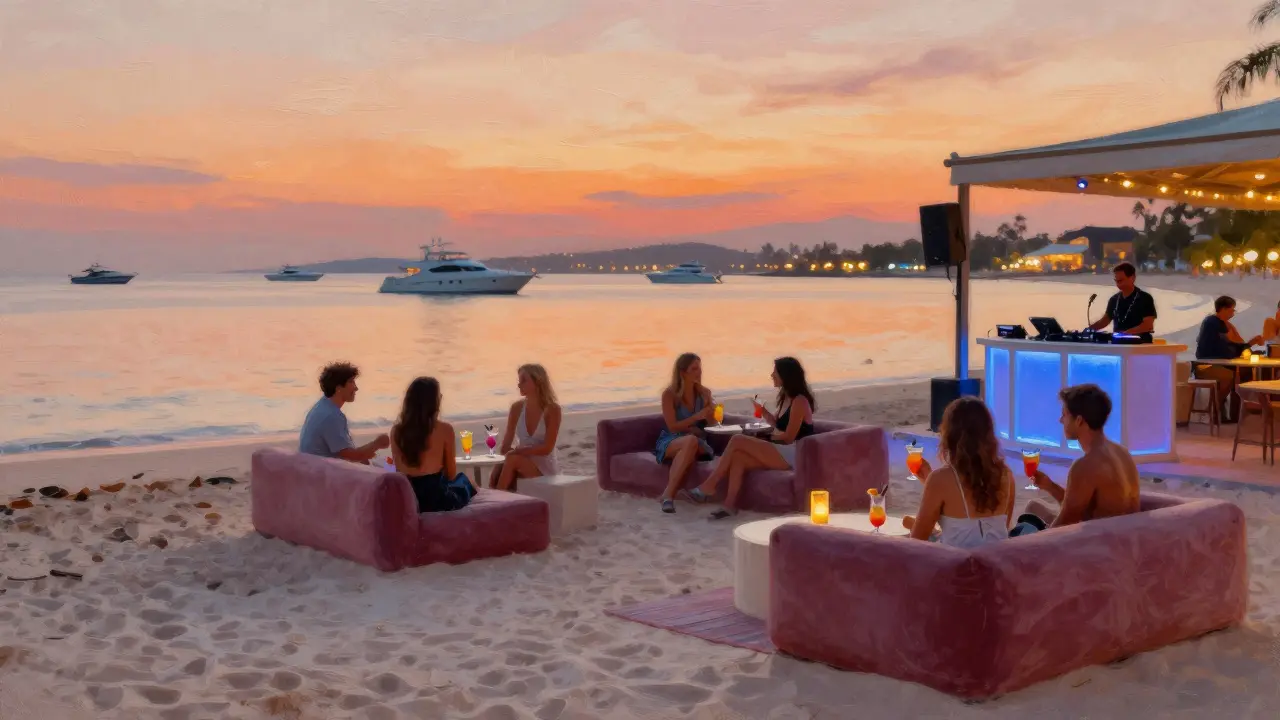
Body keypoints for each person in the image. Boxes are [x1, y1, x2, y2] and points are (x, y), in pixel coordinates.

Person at [688, 357, 815, 520]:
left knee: (738, 439)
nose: (772, 375)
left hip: (795, 454)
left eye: (775, 372)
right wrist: (762, 411)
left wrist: (767, 436)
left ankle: (709, 486)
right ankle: (729, 506)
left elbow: (789, 437)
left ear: (786, 375)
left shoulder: (799, 401)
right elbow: (778, 425)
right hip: (784, 450)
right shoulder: (786, 397)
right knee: (738, 457)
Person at [1013, 384, 1140, 536]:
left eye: (1064, 414)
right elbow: (1082, 508)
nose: (1061, 420)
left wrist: (1030, 543)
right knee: (1033, 506)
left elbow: (1065, 523)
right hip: (1123, 537)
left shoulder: (1086, 465)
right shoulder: (1122, 453)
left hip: (1097, 543)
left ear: (1079, 420)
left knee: (1024, 526)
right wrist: (1050, 486)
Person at [901, 398, 1014, 548]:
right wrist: (929, 480)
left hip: (956, 561)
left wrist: (931, 482)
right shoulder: (1006, 475)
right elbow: (997, 532)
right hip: (995, 560)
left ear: (949, 435)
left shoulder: (940, 480)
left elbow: (916, 543)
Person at [390, 377, 475, 513]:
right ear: (433, 402)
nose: (441, 397)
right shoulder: (444, 429)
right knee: (466, 481)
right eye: (439, 395)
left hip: (409, 497)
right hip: (436, 500)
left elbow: (397, 469)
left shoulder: (396, 431)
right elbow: (451, 474)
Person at [654, 353, 718, 513]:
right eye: (694, 369)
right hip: (672, 440)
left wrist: (711, 413)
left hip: (698, 441)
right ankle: (668, 495)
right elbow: (673, 427)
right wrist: (695, 418)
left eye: (700, 368)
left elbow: (713, 424)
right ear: (682, 372)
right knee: (690, 441)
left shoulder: (704, 393)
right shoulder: (669, 395)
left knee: (691, 441)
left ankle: (668, 495)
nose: (699, 372)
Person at [299, 361, 389, 462]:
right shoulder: (331, 416)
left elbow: (349, 454)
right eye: (351, 382)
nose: (356, 388)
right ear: (338, 388)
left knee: (383, 463)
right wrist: (377, 444)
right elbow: (352, 457)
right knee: (389, 467)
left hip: (315, 465)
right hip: (324, 470)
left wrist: (366, 454)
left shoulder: (322, 406)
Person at [492, 364, 562, 491]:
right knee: (502, 462)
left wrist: (520, 451)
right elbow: (506, 444)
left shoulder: (552, 409)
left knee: (512, 459)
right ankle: (491, 494)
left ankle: (497, 498)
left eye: (524, 380)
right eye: (519, 380)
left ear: (538, 381)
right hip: (521, 461)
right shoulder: (516, 408)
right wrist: (506, 452)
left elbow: (547, 448)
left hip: (544, 468)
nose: (519, 384)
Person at [1193, 295, 1262, 421]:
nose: (1233, 314)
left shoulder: (1218, 323)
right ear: (1223, 309)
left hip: (1215, 362)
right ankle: (1216, 408)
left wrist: (1247, 345)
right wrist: (1247, 345)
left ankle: (1231, 412)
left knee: (1239, 373)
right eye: (1231, 310)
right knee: (1229, 376)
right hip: (1205, 365)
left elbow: (1227, 347)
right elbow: (1224, 348)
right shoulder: (1213, 323)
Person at [1087, 262, 1157, 336]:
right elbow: (1105, 320)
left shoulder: (1145, 298)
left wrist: (1126, 334)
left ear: (1132, 278)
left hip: (1140, 341)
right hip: (1119, 341)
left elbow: (1148, 326)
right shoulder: (1114, 299)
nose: (1118, 284)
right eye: (1116, 281)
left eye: (1120, 281)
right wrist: (1089, 330)